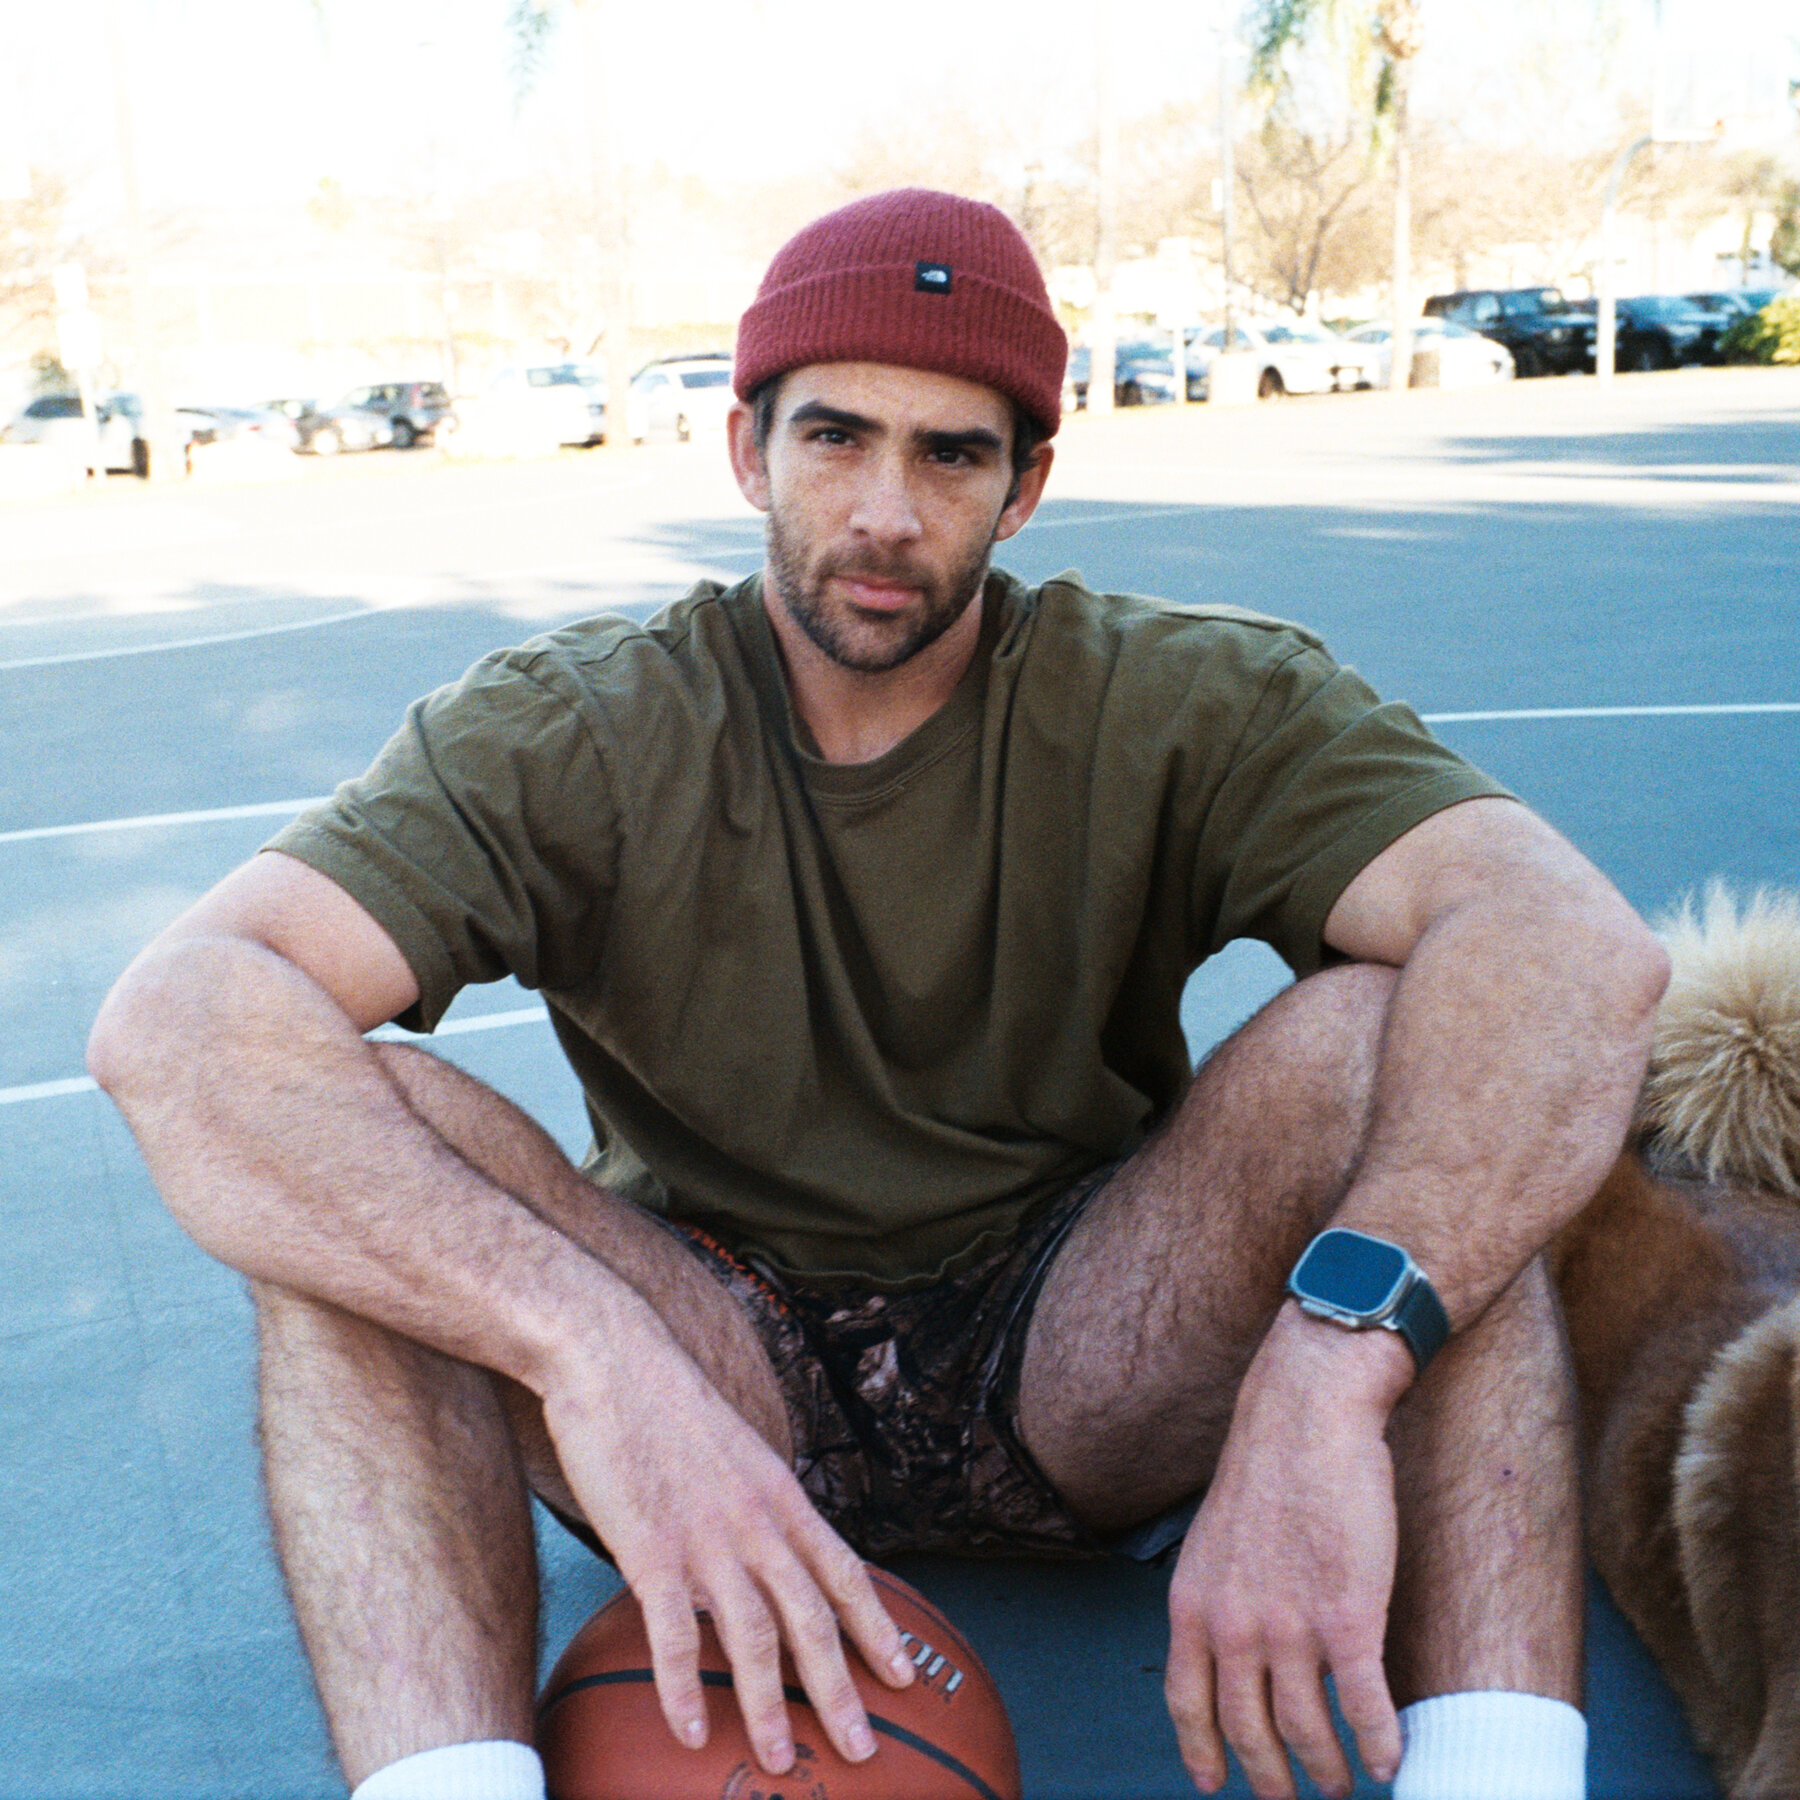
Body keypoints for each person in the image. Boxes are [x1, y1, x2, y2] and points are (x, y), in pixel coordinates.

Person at [88, 188, 1668, 1800]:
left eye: (953, 454)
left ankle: (1496, 1779)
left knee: (1401, 1057)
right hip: (712, 1360)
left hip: (1087, 1346)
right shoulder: (571, 727)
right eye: (836, 439)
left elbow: (1568, 945)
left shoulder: (1184, 695)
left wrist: (1338, 1364)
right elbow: (179, 1016)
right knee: (362, 1138)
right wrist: (591, 1351)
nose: (888, 513)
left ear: (1026, 485)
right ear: (747, 451)